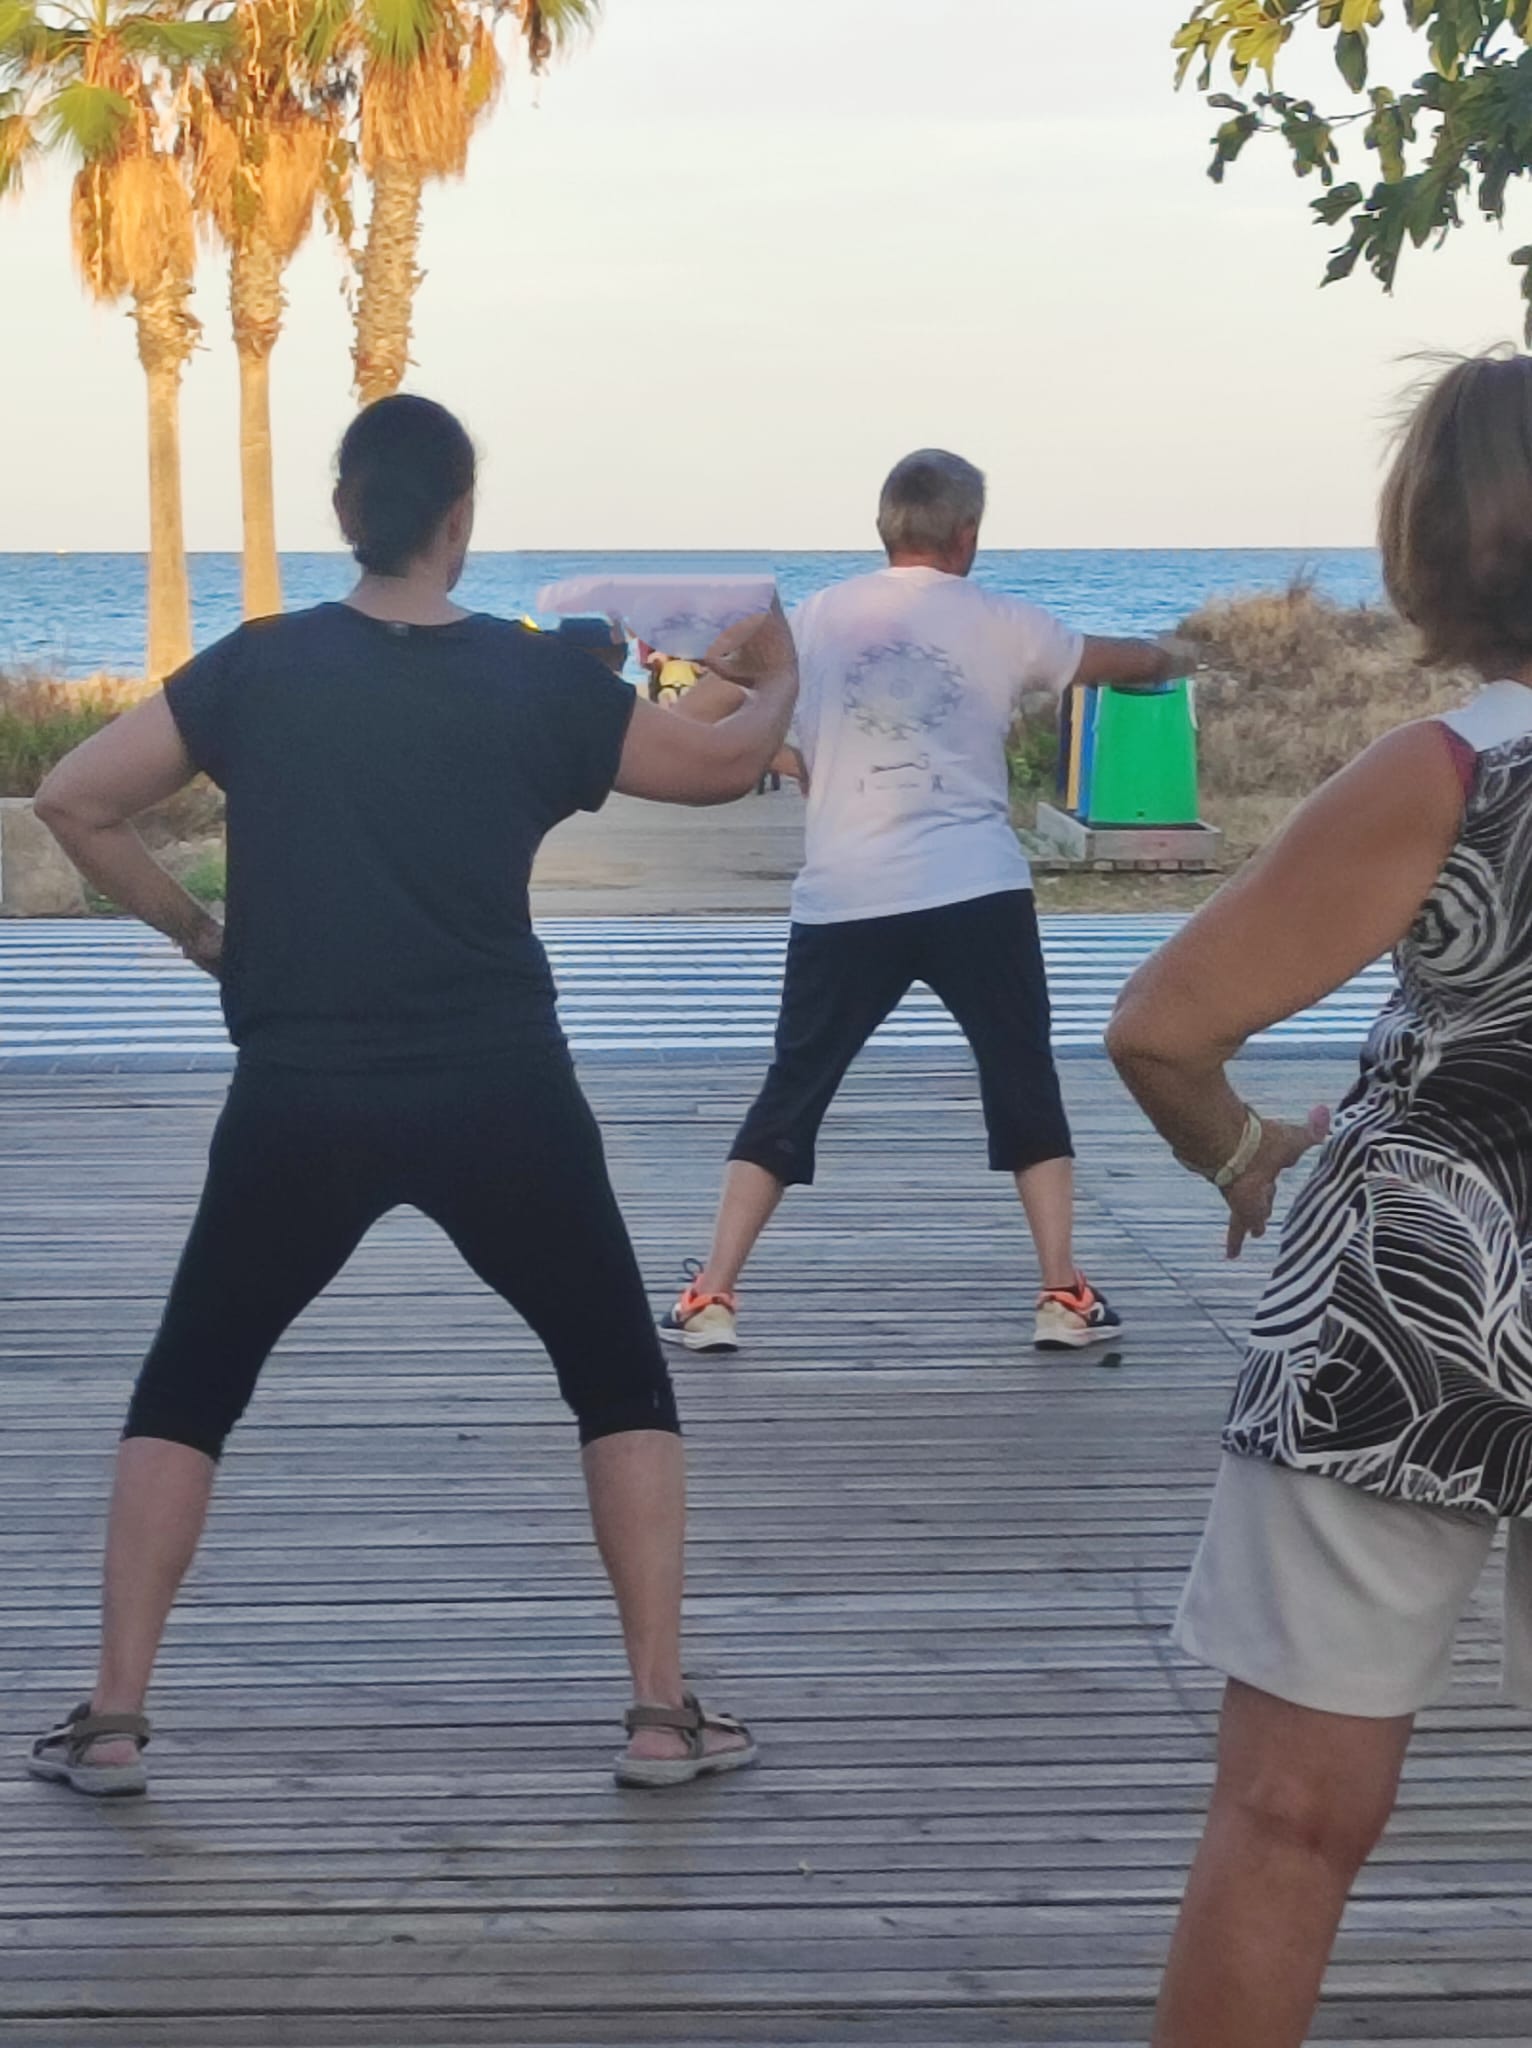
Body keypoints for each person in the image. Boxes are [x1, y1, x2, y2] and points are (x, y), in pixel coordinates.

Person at [25, 395, 797, 1798]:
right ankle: (659, 1720)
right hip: (501, 1088)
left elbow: (76, 799)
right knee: (616, 1374)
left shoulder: (258, 667)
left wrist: (207, 938)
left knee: (188, 1382)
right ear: (461, 524)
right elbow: (725, 752)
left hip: (299, 1088)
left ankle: (115, 1722)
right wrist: (773, 670)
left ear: (342, 514)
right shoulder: (537, 673)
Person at [1105, 350, 1532, 2048]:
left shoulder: (1441, 772)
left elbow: (1162, 1026)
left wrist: (1243, 1156)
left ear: (1425, 544)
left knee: (1290, 1816)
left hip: (1401, 1307)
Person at [659, 449, 1181, 1356]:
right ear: (968, 534)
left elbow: (698, 713)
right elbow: (1114, 661)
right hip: (976, 890)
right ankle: (1062, 1293)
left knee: (794, 1089)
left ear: (883, 528)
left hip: (846, 895)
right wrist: (1177, 650)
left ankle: (713, 1295)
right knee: (1023, 1080)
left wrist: (769, 749)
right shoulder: (1000, 618)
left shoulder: (814, 620)